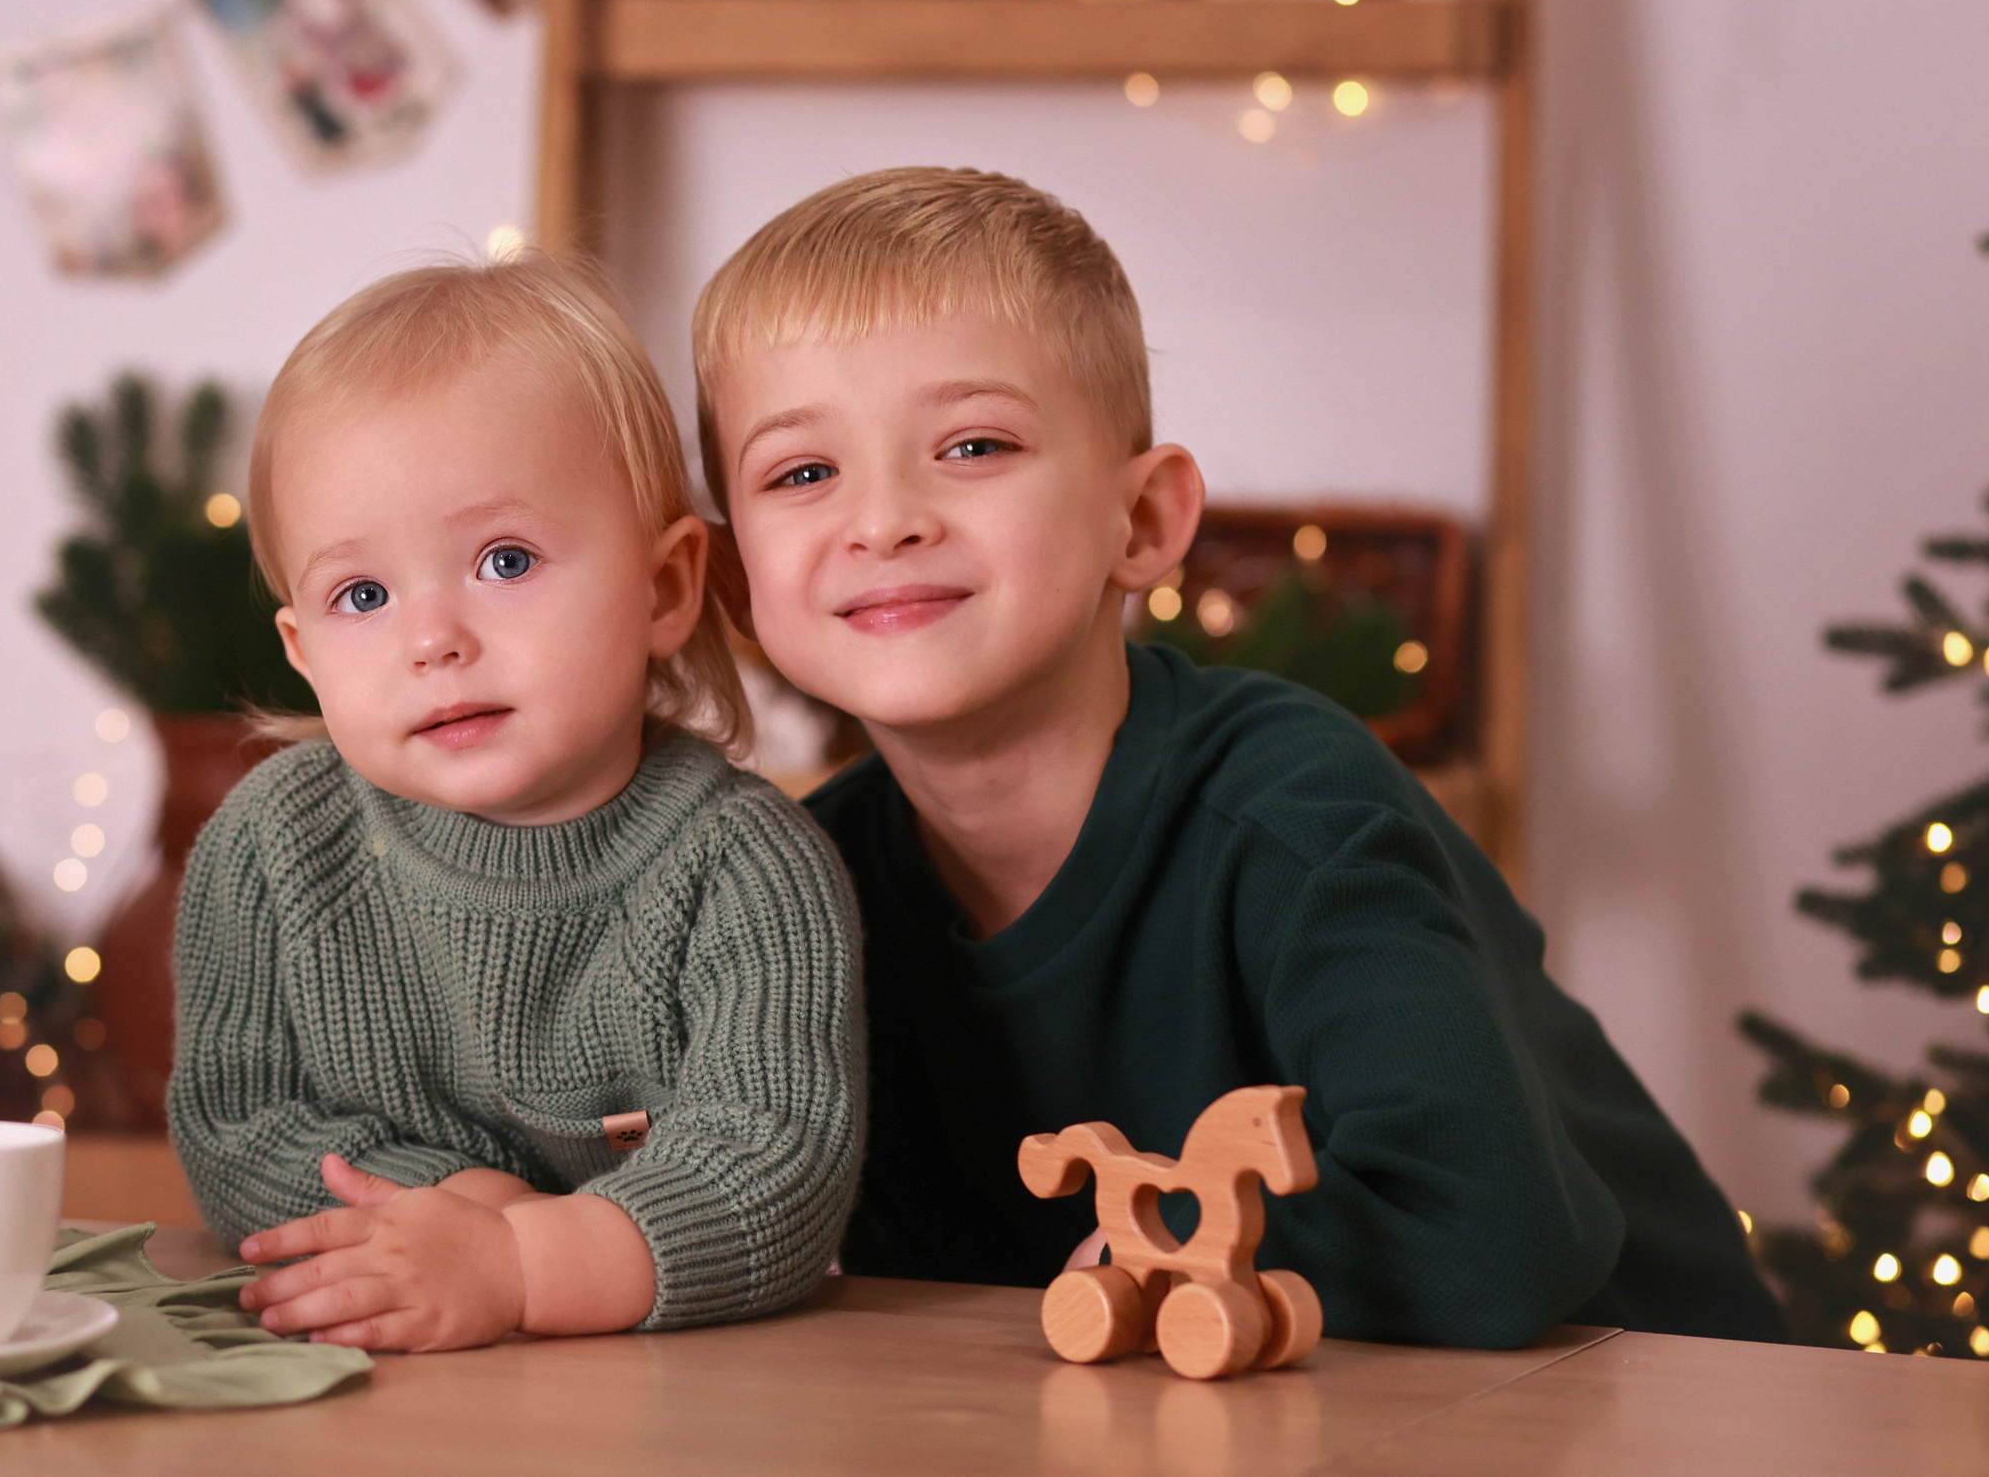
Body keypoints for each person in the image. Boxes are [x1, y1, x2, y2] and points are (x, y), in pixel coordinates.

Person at [691, 166, 1784, 1346]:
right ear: (735, 582)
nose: (883, 517)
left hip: (1636, 1402)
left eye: (972, 445)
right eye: (803, 473)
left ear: (1145, 522)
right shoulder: (798, 888)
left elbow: (1495, 1235)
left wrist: (1147, 1262)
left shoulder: (1293, 810)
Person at [169, 252, 864, 1353]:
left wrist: (521, 1264)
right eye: (362, 595)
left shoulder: (746, 867)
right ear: (301, 652)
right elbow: (241, 1127)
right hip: (383, 1388)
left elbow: (772, 1166)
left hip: (683, 1396)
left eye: (504, 560)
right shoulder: (271, 847)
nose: (433, 639)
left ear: (665, 586)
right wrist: (470, 1213)